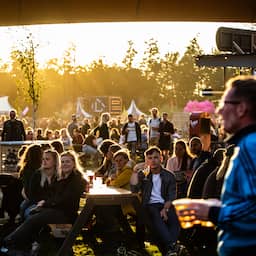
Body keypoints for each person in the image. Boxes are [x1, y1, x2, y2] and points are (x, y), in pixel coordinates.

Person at [175, 76, 256, 256]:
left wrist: (211, 212)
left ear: (241, 108)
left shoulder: (251, 146)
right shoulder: (245, 145)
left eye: (224, 103)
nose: (218, 110)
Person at [2, 150, 87, 254]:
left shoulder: (77, 179)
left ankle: (8, 241)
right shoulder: (62, 177)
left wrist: (45, 203)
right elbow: (52, 195)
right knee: (34, 214)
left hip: (66, 214)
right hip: (55, 210)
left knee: (34, 219)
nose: (65, 164)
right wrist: (44, 203)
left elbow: (64, 198)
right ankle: (29, 245)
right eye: (63, 162)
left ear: (74, 163)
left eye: (68, 161)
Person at [130, 146, 180, 256]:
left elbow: (172, 196)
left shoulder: (169, 176)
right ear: (146, 160)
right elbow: (133, 189)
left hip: (165, 204)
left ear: (161, 159)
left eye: (156, 157)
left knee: (174, 216)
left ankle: (170, 246)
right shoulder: (143, 175)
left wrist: (165, 208)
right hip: (149, 205)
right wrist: (135, 171)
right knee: (156, 215)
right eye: (150, 158)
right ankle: (171, 246)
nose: (153, 160)